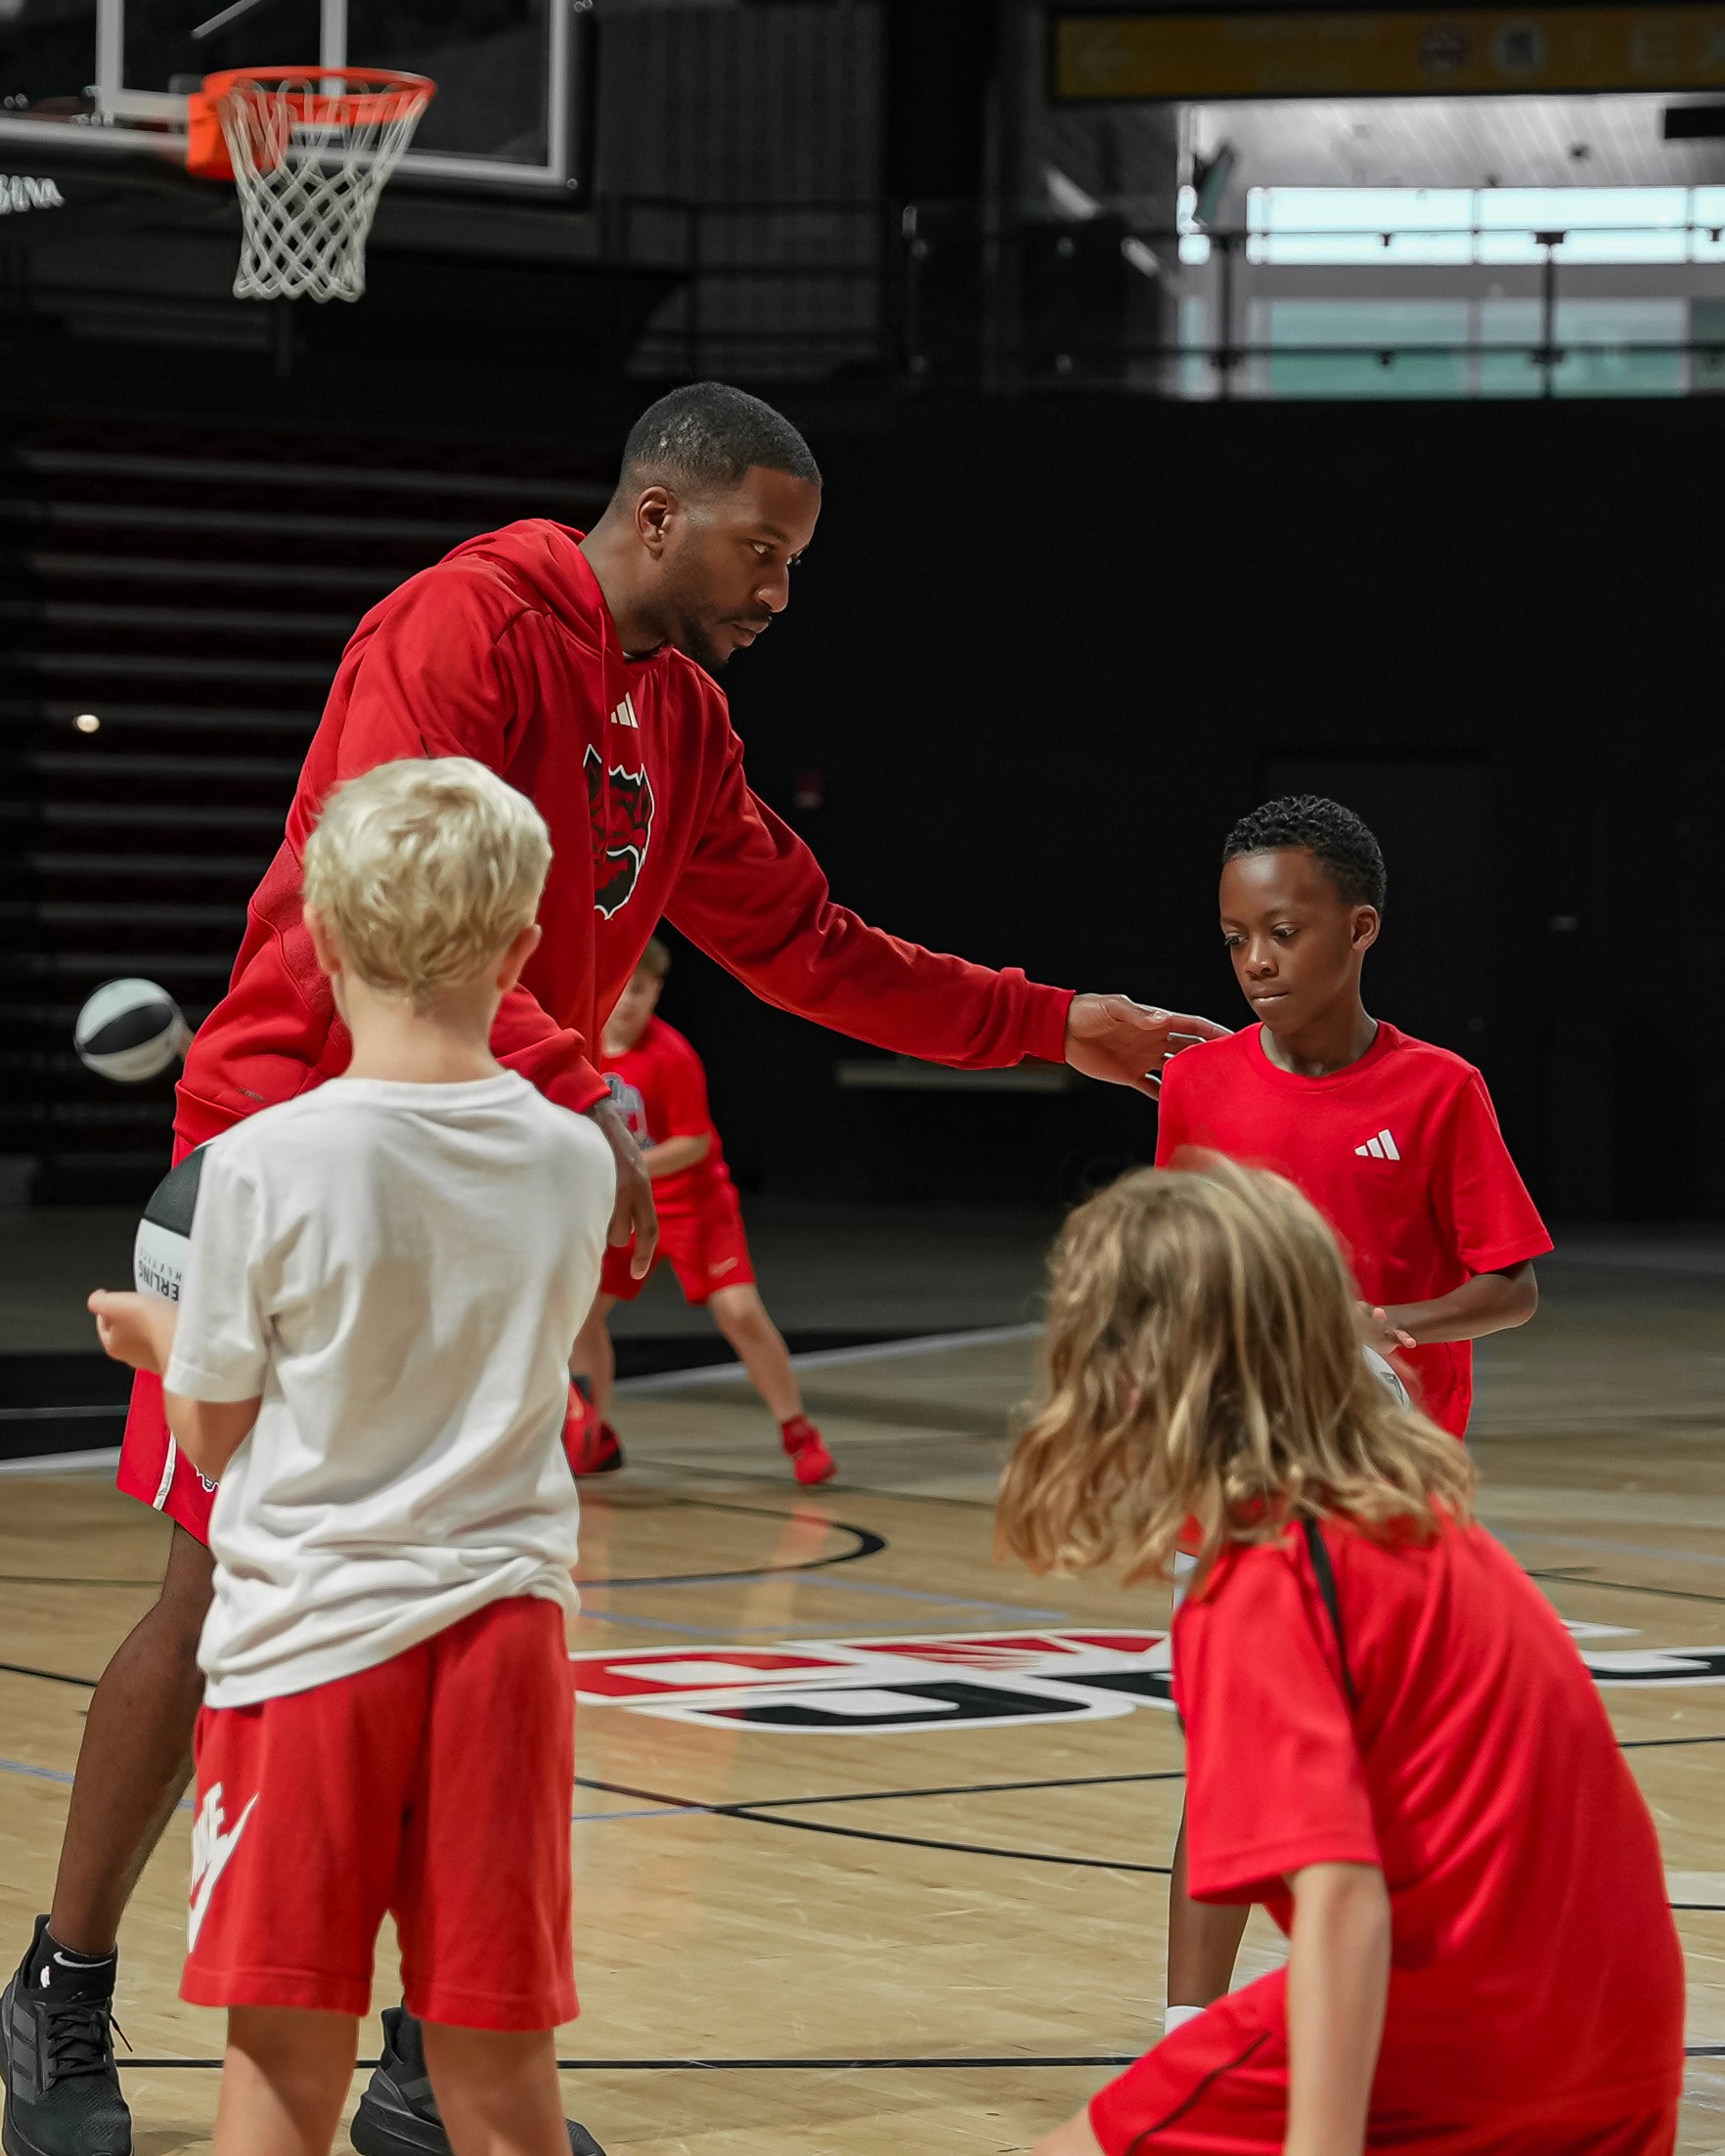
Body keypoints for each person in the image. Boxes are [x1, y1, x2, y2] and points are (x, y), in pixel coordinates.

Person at [3, 379, 1225, 2156]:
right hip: (299, 1147)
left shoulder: (686, 724)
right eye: (763, 549)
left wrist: (1056, 1024)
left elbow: (805, 943)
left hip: (488, 1170)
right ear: (662, 513)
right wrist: (577, 1104)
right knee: (220, 1606)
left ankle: (432, 2067)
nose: (777, 592)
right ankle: (63, 1986)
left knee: (474, 1597)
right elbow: (390, 911)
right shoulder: (464, 627)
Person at [79, 762, 613, 2156]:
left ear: (321, 938)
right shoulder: (575, 1161)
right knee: (497, 2068)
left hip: (315, 1645)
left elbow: (220, 1429)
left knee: (283, 2062)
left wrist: (158, 1335)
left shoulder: (263, 1166)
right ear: (518, 949)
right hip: (504, 1644)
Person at [995, 1160, 1683, 2156]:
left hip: (1462, 2025)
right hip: (1622, 2036)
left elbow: (1345, 1906)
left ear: (1130, 1374)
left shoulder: (1269, 1582)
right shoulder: (1424, 1526)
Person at [1151, 792, 1553, 2040]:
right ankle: (1179, 2037)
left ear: (1360, 927)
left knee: (1382, 1780)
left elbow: (1513, 1284)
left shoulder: (1439, 1091)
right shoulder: (1199, 1087)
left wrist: (1399, 1326)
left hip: (1383, 1501)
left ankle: (1400, 2025)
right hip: (1226, 1490)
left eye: (1284, 933)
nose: (1258, 963)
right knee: (1226, 1765)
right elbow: (1177, 1273)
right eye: (1235, 941)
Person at [565, 936, 835, 1485]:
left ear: (658, 991)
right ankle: (594, 1433)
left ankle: (798, 1430)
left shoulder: (672, 1056)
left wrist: (623, 1164)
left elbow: (694, 1142)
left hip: (692, 1202)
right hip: (622, 1205)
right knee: (580, 1316)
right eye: (622, 987)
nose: (628, 1001)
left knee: (738, 1311)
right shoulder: (579, 1050)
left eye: (641, 989)